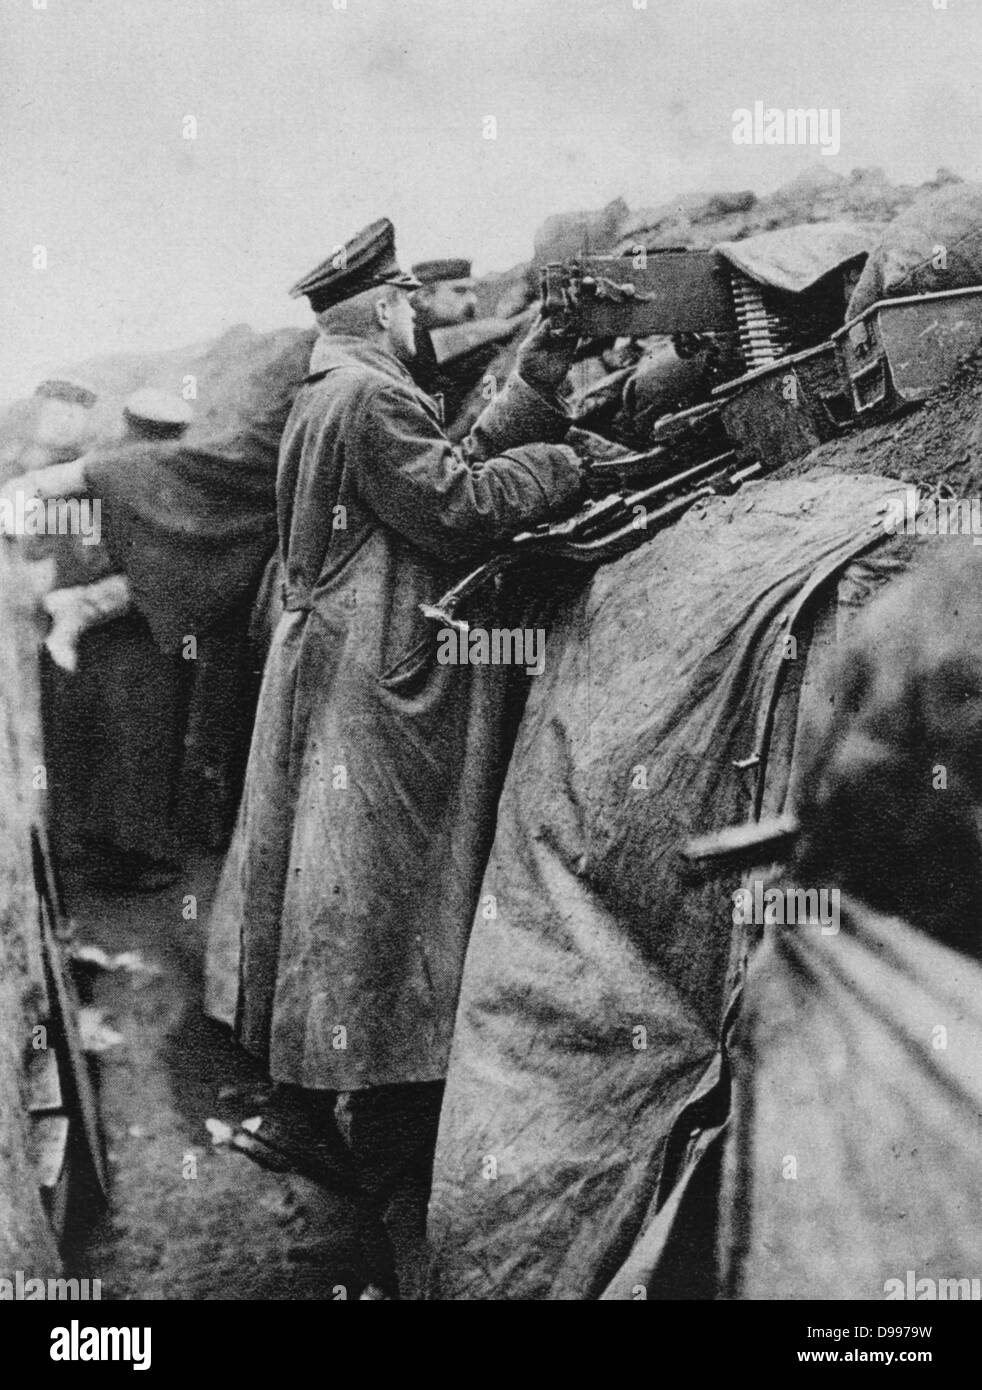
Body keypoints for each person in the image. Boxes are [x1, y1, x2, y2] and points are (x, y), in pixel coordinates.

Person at [208, 216, 589, 1297]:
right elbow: (458, 506)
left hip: (339, 662)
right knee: (375, 894)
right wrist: (560, 462)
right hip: (375, 680)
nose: (424, 317)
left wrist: (538, 378)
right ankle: (370, 1108)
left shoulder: (340, 390)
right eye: (414, 303)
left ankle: (322, 1097)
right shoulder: (369, 395)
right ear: (382, 307)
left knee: (335, 887)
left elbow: (438, 466)